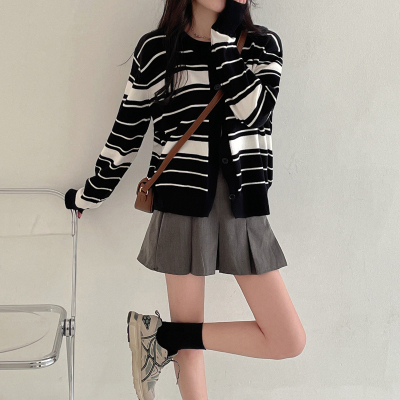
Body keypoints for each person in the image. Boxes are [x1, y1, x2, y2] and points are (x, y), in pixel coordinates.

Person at [65, 0, 306, 399]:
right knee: (189, 354)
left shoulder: (262, 45)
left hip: (243, 207)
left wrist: (224, 40)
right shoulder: (157, 50)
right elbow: (126, 134)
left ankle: (162, 338)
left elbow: (255, 114)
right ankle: (170, 340)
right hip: (180, 203)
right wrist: (89, 195)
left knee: (287, 339)